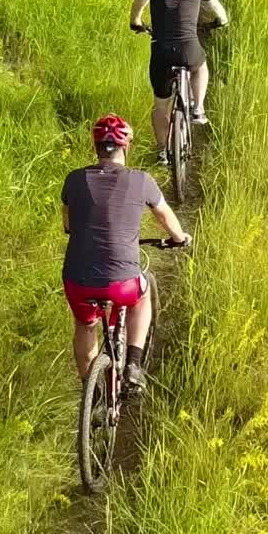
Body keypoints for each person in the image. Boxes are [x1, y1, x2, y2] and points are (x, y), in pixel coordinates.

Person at [61, 114, 191, 390]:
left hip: (77, 281)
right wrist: (179, 239)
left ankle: (91, 393)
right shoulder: (141, 180)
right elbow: (165, 217)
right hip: (122, 283)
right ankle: (133, 364)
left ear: (95, 147)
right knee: (141, 296)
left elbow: (68, 225)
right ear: (126, 147)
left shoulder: (73, 180)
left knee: (85, 325)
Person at [129, 0, 229, 165]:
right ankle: (198, 108)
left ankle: (163, 152)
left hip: (161, 51)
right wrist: (216, 24)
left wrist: (136, 23)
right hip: (188, 48)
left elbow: (137, 8)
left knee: (160, 105)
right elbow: (222, 16)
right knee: (201, 66)